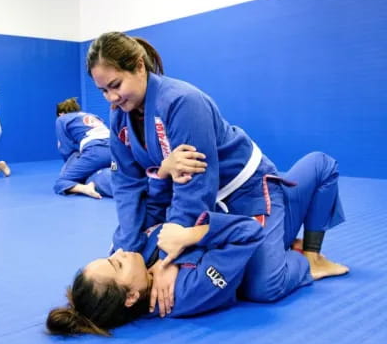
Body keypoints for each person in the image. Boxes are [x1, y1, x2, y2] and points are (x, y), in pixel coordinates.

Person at [85, 32, 347, 308]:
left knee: (264, 286)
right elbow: (126, 184)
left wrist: (170, 260)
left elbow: (195, 185)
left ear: (139, 66)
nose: (111, 98)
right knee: (233, 267)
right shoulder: (119, 117)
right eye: (103, 91)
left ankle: (310, 250)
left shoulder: (181, 102)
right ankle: (278, 235)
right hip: (210, 208)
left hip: (246, 191)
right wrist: (127, 247)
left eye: (115, 85)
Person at [46, 153, 349, 336]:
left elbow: (150, 208)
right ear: (131, 297)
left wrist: (163, 171)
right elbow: (247, 233)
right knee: (322, 164)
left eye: (110, 256)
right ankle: (310, 257)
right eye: (117, 263)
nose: (120, 253)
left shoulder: (133, 257)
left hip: (227, 205)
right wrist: (190, 236)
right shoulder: (185, 292)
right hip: (255, 224)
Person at [53, 97, 112, 199]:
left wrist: (70, 165)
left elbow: (66, 148)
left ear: (60, 113)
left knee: (61, 182)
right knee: (111, 169)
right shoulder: (91, 115)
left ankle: (85, 188)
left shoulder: (61, 119)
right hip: (116, 150)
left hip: (96, 152)